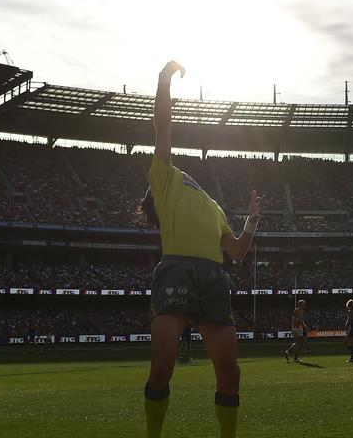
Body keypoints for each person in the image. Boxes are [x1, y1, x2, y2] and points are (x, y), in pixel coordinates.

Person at [140, 60, 262, 438]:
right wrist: (163, 82)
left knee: (231, 373)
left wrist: (252, 221)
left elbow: (238, 252)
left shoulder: (216, 207)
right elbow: (164, 126)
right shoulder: (166, 178)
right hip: (177, 268)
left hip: (213, 276)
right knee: (162, 366)